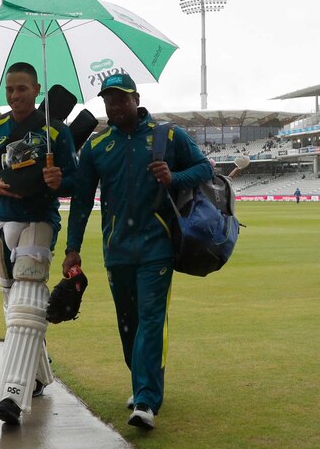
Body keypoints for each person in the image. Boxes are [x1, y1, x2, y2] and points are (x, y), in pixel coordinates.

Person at [62, 74, 213, 430]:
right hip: (117, 250)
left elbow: (205, 168)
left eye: (121, 99)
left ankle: (145, 399)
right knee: (128, 325)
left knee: (150, 320)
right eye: (108, 101)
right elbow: (82, 200)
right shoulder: (98, 147)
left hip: (156, 248)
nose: (115, 106)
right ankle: (143, 382)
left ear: (136, 99)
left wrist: (173, 178)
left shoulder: (168, 135)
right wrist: (72, 249)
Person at [0, 62, 77, 425]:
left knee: (27, 299)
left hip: (38, 221)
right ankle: (39, 376)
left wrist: (58, 178)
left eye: (22, 89)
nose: (15, 96)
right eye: (10, 90)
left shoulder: (57, 133)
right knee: (14, 303)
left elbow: (75, 181)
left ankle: (11, 395)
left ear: (37, 89)